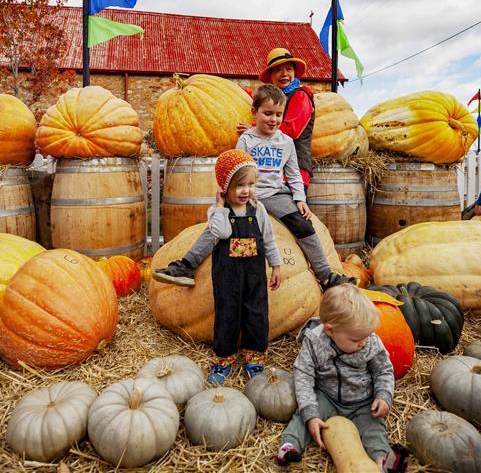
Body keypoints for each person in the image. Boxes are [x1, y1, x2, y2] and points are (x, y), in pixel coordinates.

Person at [153, 85, 355, 290]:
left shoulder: (286, 142)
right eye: (267, 113)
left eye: (278, 115)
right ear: (254, 113)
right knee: (219, 224)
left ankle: (326, 275)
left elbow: (293, 174)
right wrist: (226, 194)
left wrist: (300, 199)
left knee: (304, 227)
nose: (273, 119)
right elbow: (236, 169)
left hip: (276, 194)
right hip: (248, 195)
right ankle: (186, 266)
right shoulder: (246, 140)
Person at [276, 284, 397, 472]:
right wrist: (311, 415)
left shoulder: (370, 341)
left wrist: (383, 396)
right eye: (356, 339)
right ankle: (290, 446)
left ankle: (383, 460)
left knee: (374, 428)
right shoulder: (315, 342)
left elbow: (383, 371)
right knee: (304, 415)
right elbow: (304, 376)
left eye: (366, 336)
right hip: (327, 397)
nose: (363, 343)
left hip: (362, 401)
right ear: (330, 331)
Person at [203, 149, 283, 384]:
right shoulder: (217, 213)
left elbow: (268, 239)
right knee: (227, 314)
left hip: (254, 275)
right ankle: (224, 359)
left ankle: (254, 358)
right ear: (224, 187)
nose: (246, 190)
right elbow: (222, 232)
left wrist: (276, 265)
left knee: (256, 314)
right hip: (227, 276)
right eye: (239, 185)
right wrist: (219, 207)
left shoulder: (258, 210)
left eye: (250, 184)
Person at [238, 47, 316, 191]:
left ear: (294, 73)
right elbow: (255, 100)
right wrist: (235, 91)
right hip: (272, 172)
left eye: (289, 69)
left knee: (293, 211)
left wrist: (253, 129)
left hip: (294, 173)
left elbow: (291, 130)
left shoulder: (301, 95)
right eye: (278, 70)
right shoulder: (276, 99)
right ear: (271, 76)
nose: (284, 74)